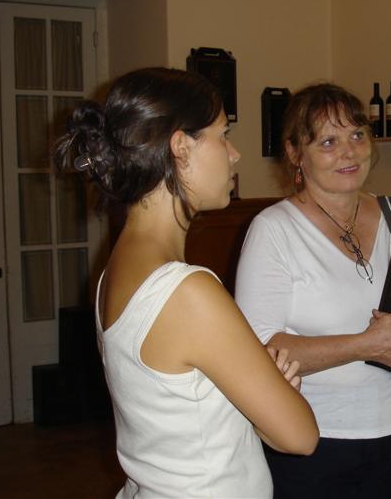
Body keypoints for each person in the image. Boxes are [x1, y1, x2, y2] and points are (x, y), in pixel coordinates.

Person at [53, 67, 318, 499]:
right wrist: (274, 389)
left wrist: (258, 391)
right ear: (181, 147)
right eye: (223, 135)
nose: (234, 154)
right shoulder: (188, 292)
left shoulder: (113, 271)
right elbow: (300, 436)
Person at [234, 83, 391, 499]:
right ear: (295, 153)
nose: (349, 152)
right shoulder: (273, 230)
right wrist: (366, 345)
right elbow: (259, 350)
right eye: (328, 141)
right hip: (310, 440)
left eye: (357, 135)